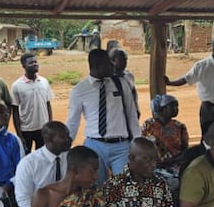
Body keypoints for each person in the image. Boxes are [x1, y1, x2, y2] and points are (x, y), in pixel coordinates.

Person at [66, 49, 141, 185]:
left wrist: (137, 143)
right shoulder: (79, 90)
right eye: (108, 63)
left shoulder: (121, 84)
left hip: (121, 146)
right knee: (96, 186)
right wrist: (65, 149)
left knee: (124, 186)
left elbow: (131, 115)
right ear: (97, 66)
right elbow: (73, 122)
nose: (112, 65)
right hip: (94, 146)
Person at [165, 36, 214, 136]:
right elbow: (186, 79)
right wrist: (170, 83)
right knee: (207, 136)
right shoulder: (201, 66)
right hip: (208, 108)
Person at [141, 94, 189, 190]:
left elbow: (185, 152)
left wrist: (170, 161)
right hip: (154, 167)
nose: (176, 109)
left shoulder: (179, 126)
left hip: (175, 167)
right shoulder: (149, 125)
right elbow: (142, 149)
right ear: (162, 108)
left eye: (177, 106)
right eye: (172, 106)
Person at [11, 53, 55, 152]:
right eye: (31, 63)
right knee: (26, 157)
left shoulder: (44, 82)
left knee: (43, 157)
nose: (35, 64)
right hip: (26, 130)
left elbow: (48, 104)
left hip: (43, 129)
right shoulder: (17, 86)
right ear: (23, 66)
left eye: (36, 62)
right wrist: (19, 135)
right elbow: (15, 111)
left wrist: (50, 125)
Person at [110, 48, 140, 118]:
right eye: (121, 59)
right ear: (113, 60)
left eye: (125, 59)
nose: (124, 62)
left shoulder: (129, 76)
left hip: (129, 111)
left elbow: (133, 92)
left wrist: (136, 107)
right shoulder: (108, 79)